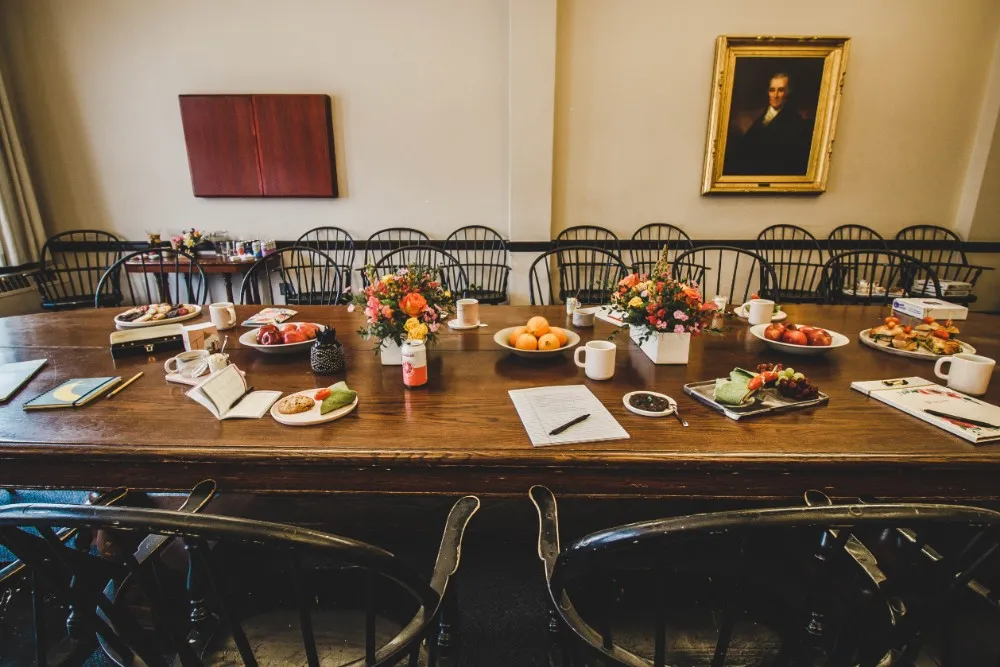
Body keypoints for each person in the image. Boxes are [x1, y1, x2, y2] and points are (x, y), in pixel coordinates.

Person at [723, 72, 814, 176]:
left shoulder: (795, 122)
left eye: (780, 90)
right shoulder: (761, 118)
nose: (775, 95)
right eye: (772, 90)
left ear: (788, 92)